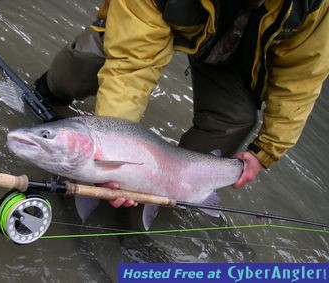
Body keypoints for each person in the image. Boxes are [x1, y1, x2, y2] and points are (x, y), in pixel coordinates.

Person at [35, 0, 329, 207]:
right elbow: (132, 64)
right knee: (81, 67)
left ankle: (172, 189)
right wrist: (111, 151)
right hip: (146, 26)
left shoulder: (314, 6)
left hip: (233, 54)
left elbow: (301, 77)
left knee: (237, 119)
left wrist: (265, 151)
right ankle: (46, 94)